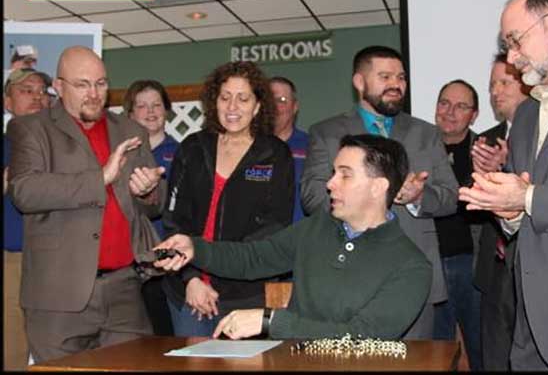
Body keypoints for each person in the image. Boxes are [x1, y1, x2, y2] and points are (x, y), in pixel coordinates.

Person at [154, 134, 432, 340]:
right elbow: (253, 258)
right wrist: (195, 248)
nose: (330, 183)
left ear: (378, 187)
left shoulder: (411, 267)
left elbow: (362, 339)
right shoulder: (316, 228)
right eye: (333, 173)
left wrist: (271, 322)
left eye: (345, 175)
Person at [459, 0, 548, 371]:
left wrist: (528, 197)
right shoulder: (526, 117)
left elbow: (535, 197)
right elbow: (522, 216)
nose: (512, 58)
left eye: (515, 42)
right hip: (528, 325)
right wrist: (507, 209)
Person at [6, 46, 166, 363]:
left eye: (101, 84)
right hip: (57, 296)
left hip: (124, 290)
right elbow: (24, 191)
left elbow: (153, 206)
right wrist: (101, 177)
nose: (94, 94)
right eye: (82, 85)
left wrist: (147, 191)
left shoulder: (131, 130)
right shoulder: (31, 128)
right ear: (59, 86)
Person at [301, 45, 458, 338]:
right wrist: (357, 197)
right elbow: (312, 197)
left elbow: (451, 196)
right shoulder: (327, 132)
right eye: (385, 76)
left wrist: (418, 197)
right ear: (359, 82)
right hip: (347, 276)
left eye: (401, 77)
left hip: (413, 277)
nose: (396, 85)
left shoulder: (426, 133)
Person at [161, 61, 295, 337]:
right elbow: (174, 222)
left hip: (245, 295)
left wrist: (222, 269)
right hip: (190, 291)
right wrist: (191, 279)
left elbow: (273, 229)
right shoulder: (192, 148)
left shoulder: (275, 154)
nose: (232, 107)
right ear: (214, 102)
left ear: (258, 106)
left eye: (243, 98)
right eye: (225, 97)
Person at [471, 53, 530, 371]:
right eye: (492, 84)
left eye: (504, 82)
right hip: (494, 266)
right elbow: (472, 203)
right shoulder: (486, 139)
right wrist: (487, 176)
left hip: (535, 265)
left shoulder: (545, 135)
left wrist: (508, 167)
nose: (496, 91)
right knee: (494, 354)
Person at [3, 68, 52, 371]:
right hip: (14, 260)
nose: (37, 96)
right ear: (7, 101)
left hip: (59, 261)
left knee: (59, 347)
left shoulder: (63, 145)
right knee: (12, 349)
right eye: (26, 90)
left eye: (42, 91)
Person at [432, 79, 483, 371]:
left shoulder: (487, 151)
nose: (450, 112)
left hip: (473, 265)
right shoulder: (417, 149)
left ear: (474, 115)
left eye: (461, 106)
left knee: (481, 346)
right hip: (430, 264)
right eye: (444, 103)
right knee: (436, 353)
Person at [123, 79, 179, 336]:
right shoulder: (121, 154)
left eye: (157, 105)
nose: (151, 111)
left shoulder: (183, 152)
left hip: (169, 259)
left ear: (166, 110)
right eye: (142, 106)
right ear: (130, 113)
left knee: (167, 333)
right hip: (128, 259)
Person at [269, 76, 309, 223]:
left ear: (295, 107)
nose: (274, 106)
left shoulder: (311, 147)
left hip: (299, 238)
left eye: (282, 101)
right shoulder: (246, 147)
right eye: (269, 100)